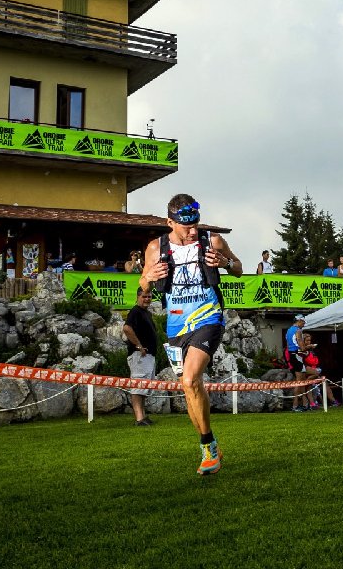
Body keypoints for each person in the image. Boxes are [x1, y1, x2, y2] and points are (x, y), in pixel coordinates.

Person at [139, 193, 243, 476]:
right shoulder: (155, 247)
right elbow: (143, 285)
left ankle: (207, 448)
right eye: (187, 226)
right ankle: (210, 444)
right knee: (189, 387)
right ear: (170, 223)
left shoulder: (213, 241)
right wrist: (149, 278)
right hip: (176, 326)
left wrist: (224, 263)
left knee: (189, 378)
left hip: (208, 317)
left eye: (196, 224)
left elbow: (238, 269)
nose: (194, 231)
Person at [122, 287, 158, 426]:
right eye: (144, 296)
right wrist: (138, 346)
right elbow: (127, 328)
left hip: (148, 356)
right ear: (138, 297)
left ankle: (142, 415)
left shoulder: (146, 313)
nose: (147, 299)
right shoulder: (135, 311)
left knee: (143, 387)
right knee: (138, 386)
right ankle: (139, 418)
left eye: (149, 297)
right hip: (140, 356)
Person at [284, 314, 311, 411]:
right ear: (299, 321)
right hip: (297, 356)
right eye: (303, 322)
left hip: (293, 356)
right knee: (299, 381)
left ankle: (305, 403)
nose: (304, 324)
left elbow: (289, 346)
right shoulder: (298, 330)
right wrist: (310, 347)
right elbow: (302, 347)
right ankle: (295, 405)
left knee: (301, 380)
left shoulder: (289, 330)